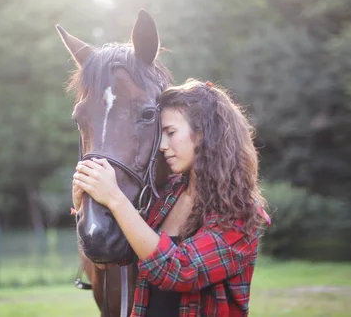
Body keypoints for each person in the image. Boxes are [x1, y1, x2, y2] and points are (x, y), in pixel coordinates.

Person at [72, 79, 271, 317]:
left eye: (171, 133)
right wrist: (87, 206)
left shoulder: (241, 213)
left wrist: (115, 198)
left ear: (205, 133)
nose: (162, 145)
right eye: (161, 134)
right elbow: (117, 256)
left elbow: (180, 270)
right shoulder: (170, 193)